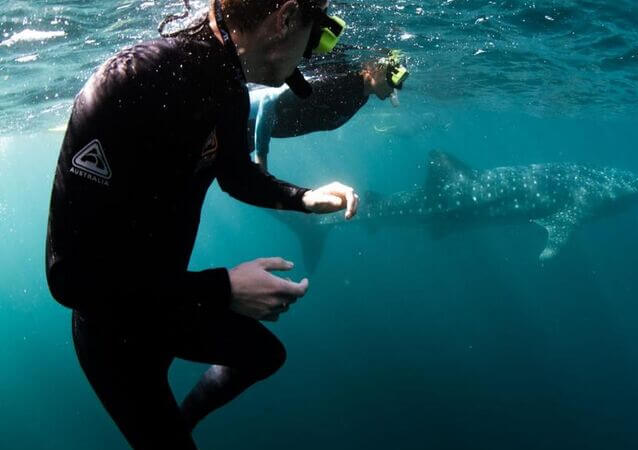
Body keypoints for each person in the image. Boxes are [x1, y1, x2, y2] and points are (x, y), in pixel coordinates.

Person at [45, 0, 360, 448]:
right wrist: (225, 289)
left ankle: (178, 425)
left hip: (167, 303)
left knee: (264, 356)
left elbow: (233, 173)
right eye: (317, 34)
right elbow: (69, 280)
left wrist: (304, 198)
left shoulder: (226, 83)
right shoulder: (130, 82)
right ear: (284, 18)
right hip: (113, 330)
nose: (313, 52)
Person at [247, 54, 398, 171]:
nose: (395, 87)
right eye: (391, 78)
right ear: (372, 68)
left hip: (254, 131)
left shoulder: (361, 96)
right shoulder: (341, 83)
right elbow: (268, 99)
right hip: (244, 120)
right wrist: (261, 159)